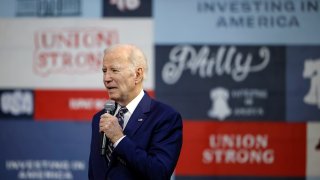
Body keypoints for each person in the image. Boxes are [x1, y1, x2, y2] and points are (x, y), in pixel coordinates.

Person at [88, 44, 183, 180]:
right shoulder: (100, 118)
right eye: (104, 71)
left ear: (137, 75)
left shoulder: (165, 117)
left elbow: (159, 173)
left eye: (114, 70)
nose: (106, 78)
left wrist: (119, 139)